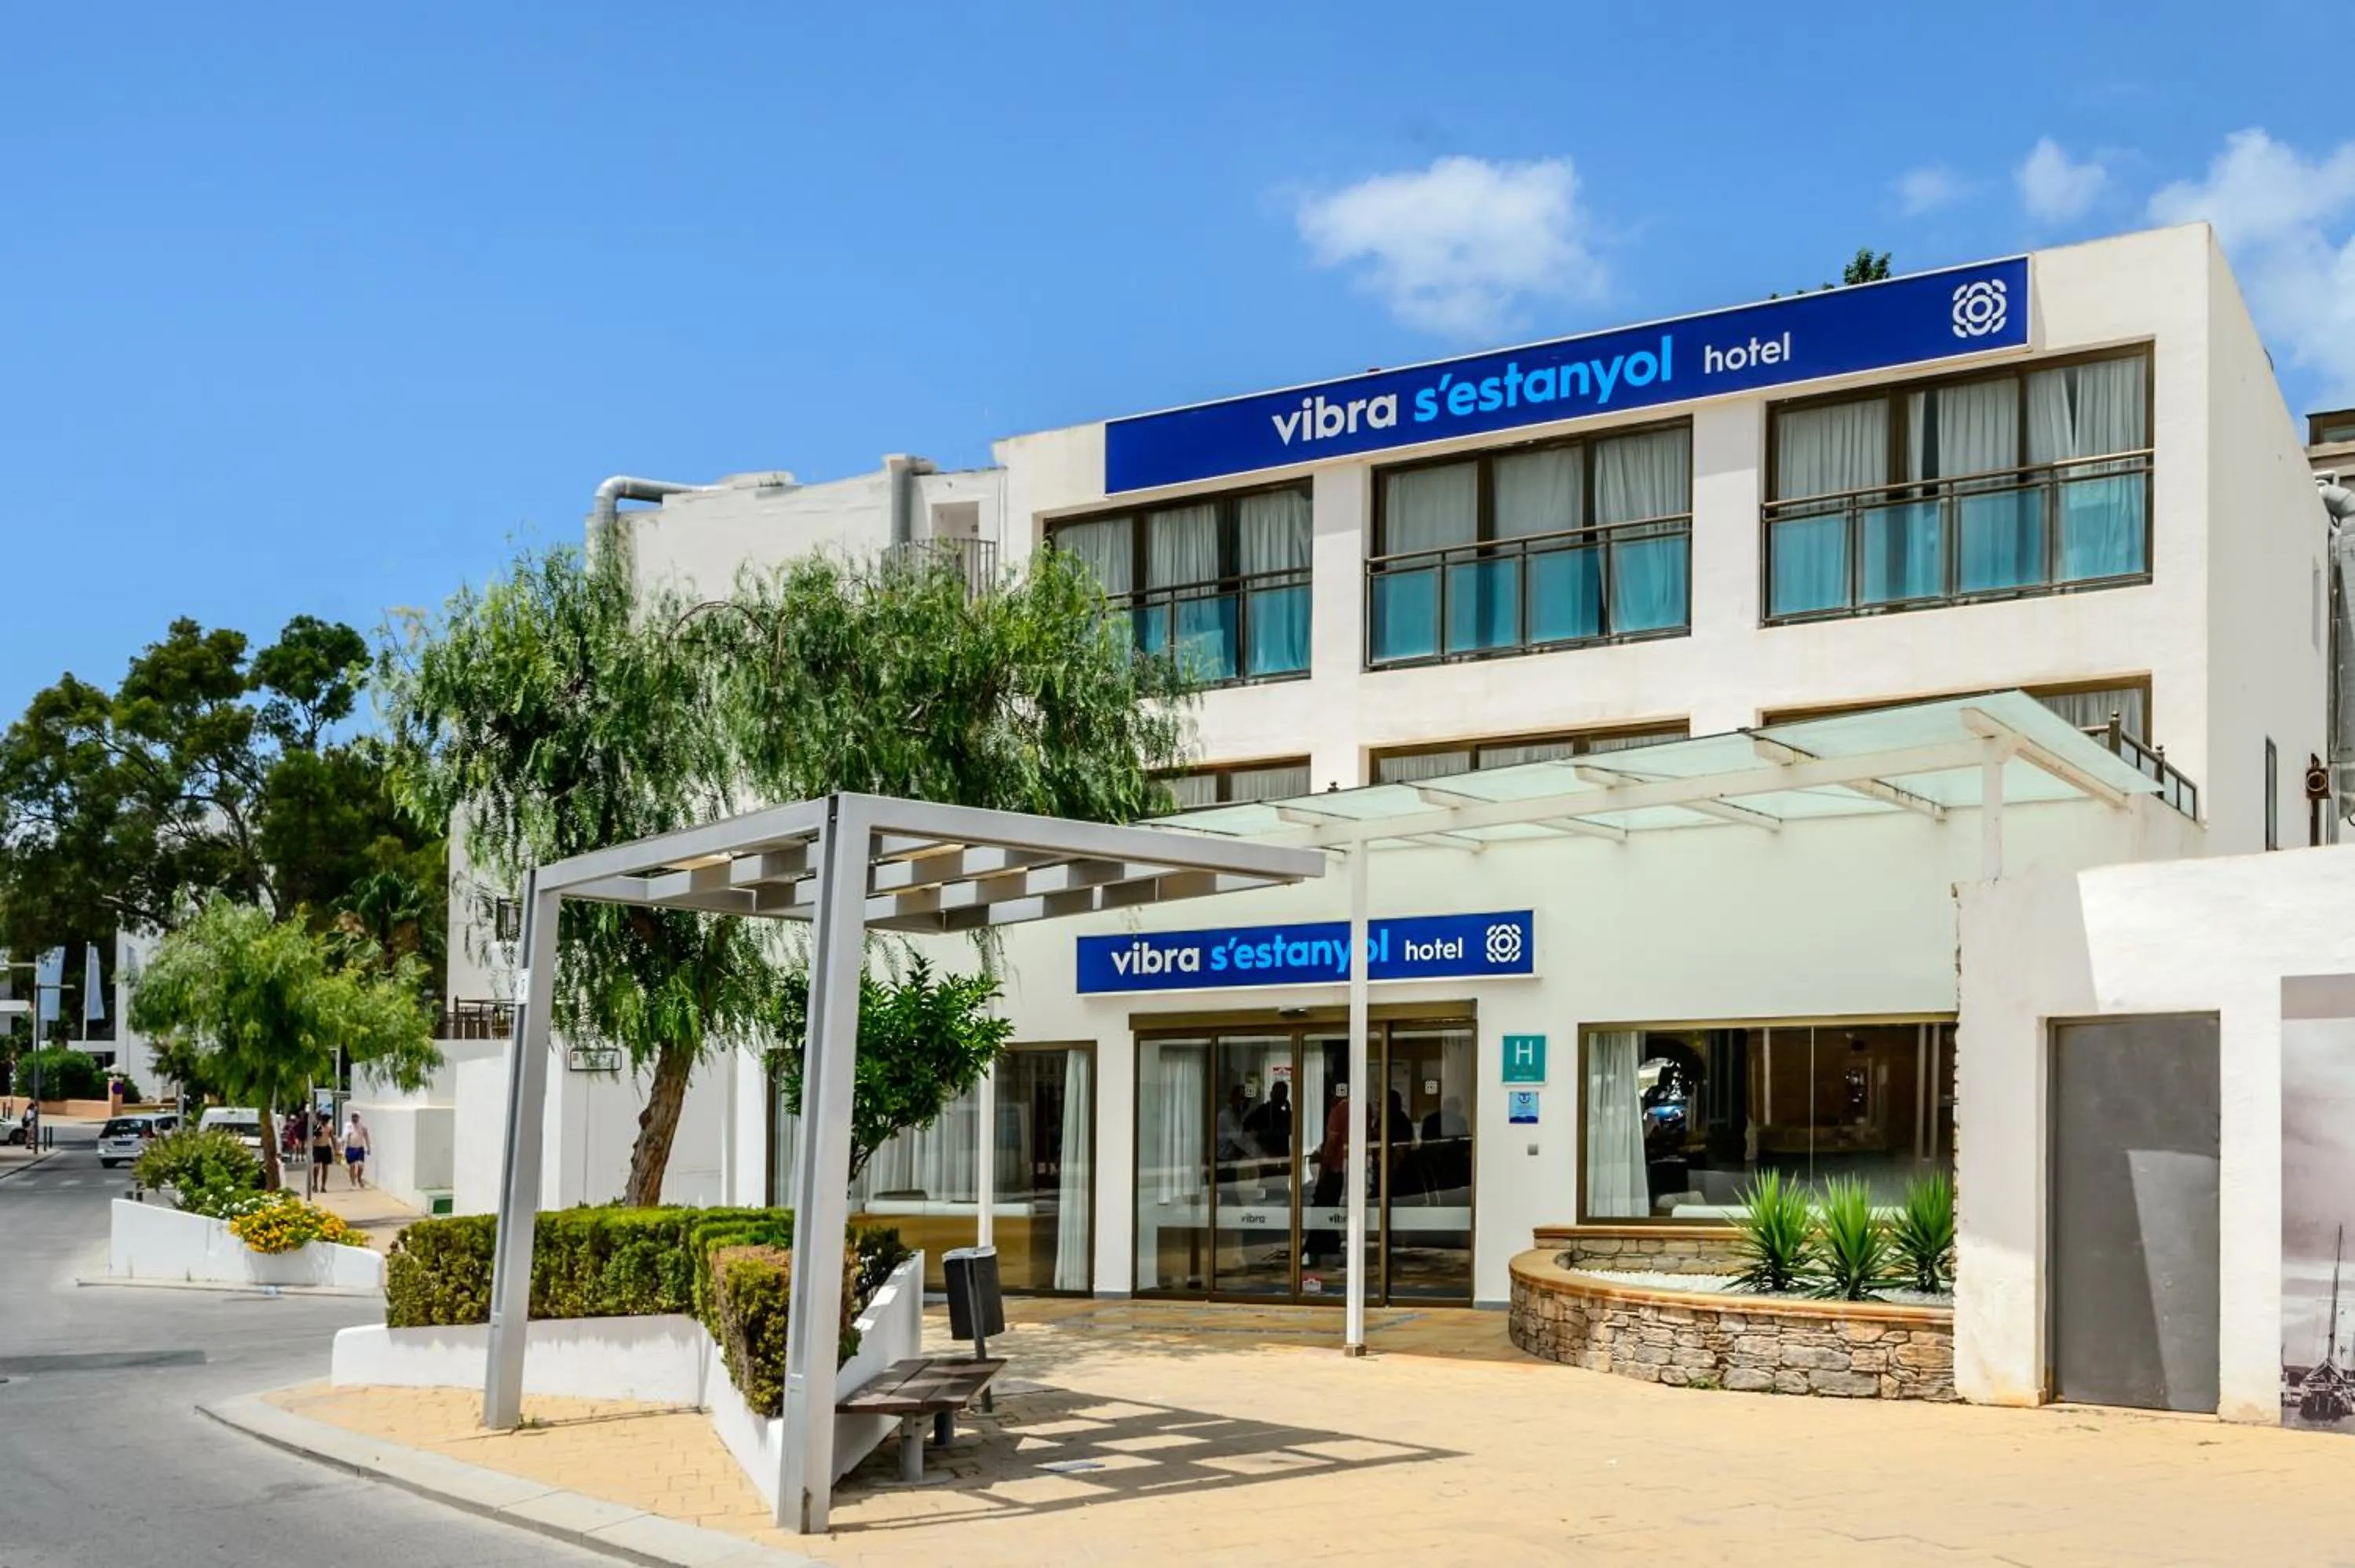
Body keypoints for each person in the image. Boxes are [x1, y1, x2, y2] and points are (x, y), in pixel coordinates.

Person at [310, 1109, 337, 1195]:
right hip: (317, 1148)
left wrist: (335, 1149)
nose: (325, 1122)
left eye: (327, 1120)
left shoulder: (330, 1127)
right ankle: (315, 1184)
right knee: (317, 1166)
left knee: (325, 1168)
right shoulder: (317, 1125)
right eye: (324, 1120)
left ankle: (323, 1186)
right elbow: (312, 1134)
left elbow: (332, 1137)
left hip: (326, 1148)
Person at [343, 1110, 370, 1188]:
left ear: (358, 1117)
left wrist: (368, 1147)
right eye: (353, 1116)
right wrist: (342, 1148)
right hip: (351, 1148)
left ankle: (359, 1178)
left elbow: (366, 1137)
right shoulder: (348, 1126)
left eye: (356, 1116)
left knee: (361, 1165)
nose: (354, 1118)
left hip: (360, 1148)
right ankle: (353, 1183)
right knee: (352, 1166)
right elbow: (344, 1137)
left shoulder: (363, 1127)